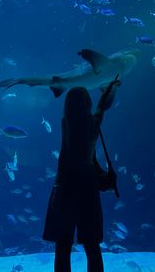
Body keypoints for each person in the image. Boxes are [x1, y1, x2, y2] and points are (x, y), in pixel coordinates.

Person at [42, 79, 119, 272]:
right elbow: (102, 107)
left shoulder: (65, 123)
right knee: (92, 245)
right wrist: (109, 91)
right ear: (87, 103)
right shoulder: (93, 123)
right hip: (87, 185)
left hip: (65, 185)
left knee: (63, 245)